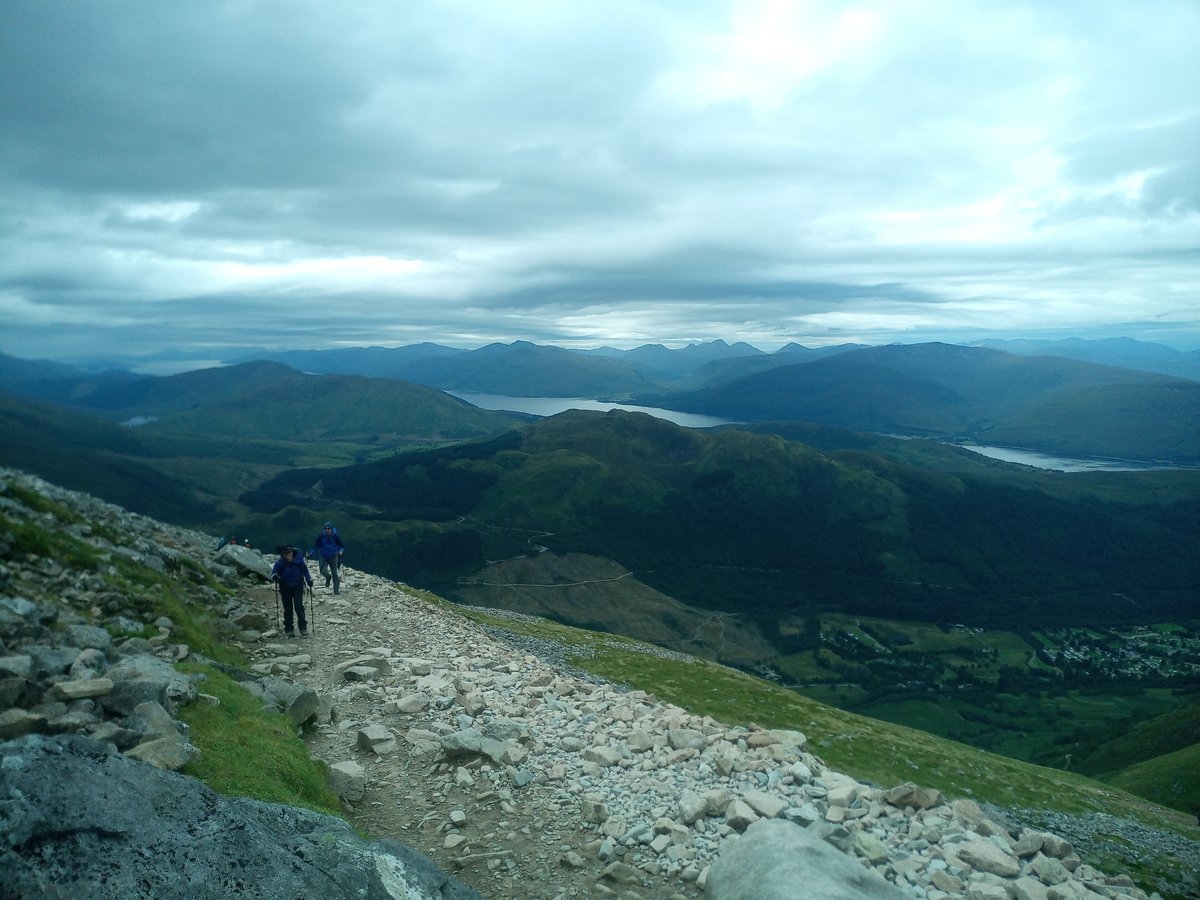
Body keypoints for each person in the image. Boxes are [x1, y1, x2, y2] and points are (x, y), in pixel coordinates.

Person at [270, 546, 312, 637]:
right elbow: (273, 573)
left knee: (298, 606)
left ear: (292, 552)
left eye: (290, 552)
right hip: (285, 587)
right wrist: (275, 577)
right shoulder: (280, 563)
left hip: (298, 586)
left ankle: (302, 628)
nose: (288, 554)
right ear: (283, 554)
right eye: (286, 553)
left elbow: (305, 571)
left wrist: (309, 579)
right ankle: (289, 629)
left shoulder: (299, 561)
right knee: (288, 608)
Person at [309, 521, 345, 594]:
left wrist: (341, 551)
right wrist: (311, 553)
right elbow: (315, 545)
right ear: (324, 529)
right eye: (326, 529)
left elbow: (341, 546)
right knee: (323, 570)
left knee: (334, 573)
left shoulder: (335, 536)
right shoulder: (321, 536)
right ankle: (328, 578)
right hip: (323, 556)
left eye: (329, 528)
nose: (327, 530)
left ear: (331, 529)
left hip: (333, 556)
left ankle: (336, 590)